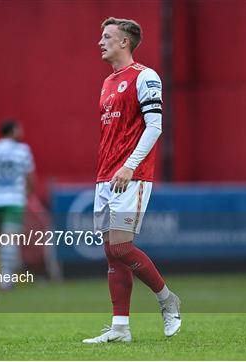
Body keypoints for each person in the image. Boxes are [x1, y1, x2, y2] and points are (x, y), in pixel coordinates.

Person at [82, 17, 181, 344]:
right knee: (112, 253)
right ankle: (120, 327)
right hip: (105, 178)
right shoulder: (107, 83)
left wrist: (128, 166)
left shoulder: (145, 76)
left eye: (107, 36)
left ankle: (167, 299)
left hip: (132, 176)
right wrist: (107, 173)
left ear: (125, 41)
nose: (101, 41)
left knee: (122, 245)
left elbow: (155, 127)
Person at [0, 120, 35, 289]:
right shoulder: (22, 151)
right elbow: (30, 176)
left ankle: (8, 272)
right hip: (14, 199)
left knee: (0, 239)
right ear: (12, 131)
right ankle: (6, 276)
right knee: (9, 239)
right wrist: (28, 193)